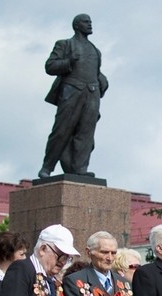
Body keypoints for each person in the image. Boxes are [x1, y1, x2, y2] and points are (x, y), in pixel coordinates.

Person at [39, 13, 108, 178]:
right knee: (61, 131)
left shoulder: (95, 50)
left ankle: (80, 168)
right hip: (71, 91)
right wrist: (68, 61)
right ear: (77, 25)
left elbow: (95, 72)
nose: (90, 24)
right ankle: (47, 168)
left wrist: (103, 80)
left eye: (90, 21)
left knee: (86, 133)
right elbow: (50, 66)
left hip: (92, 94)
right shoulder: (65, 44)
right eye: (86, 22)